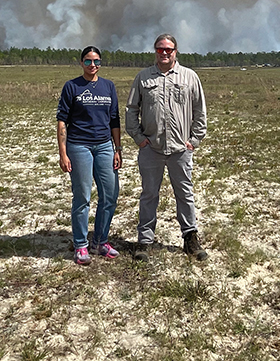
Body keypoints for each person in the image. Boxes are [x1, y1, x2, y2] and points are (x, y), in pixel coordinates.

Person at [125, 33, 208, 261]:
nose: (164, 53)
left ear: (175, 51)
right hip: (151, 148)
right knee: (149, 194)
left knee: (185, 194)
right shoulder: (143, 78)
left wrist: (194, 140)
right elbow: (131, 110)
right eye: (160, 49)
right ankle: (144, 241)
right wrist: (139, 138)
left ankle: (190, 238)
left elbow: (200, 112)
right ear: (155, 50)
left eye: (168, 49)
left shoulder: (189, 77)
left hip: (180, 149)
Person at [57, 46, 122, 265]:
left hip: (104, 146)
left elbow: (114, 120)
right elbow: (62, 121)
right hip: (79, 146)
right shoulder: (72, 86)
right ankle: (81, 244)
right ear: (81, 63)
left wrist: (117, 149)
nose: (92, 65)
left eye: (96, 61)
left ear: (101, 63)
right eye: (87, 61)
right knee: (82, 196)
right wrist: (63, 153)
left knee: (110, 194)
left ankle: (101, 241)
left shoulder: (108, 86)